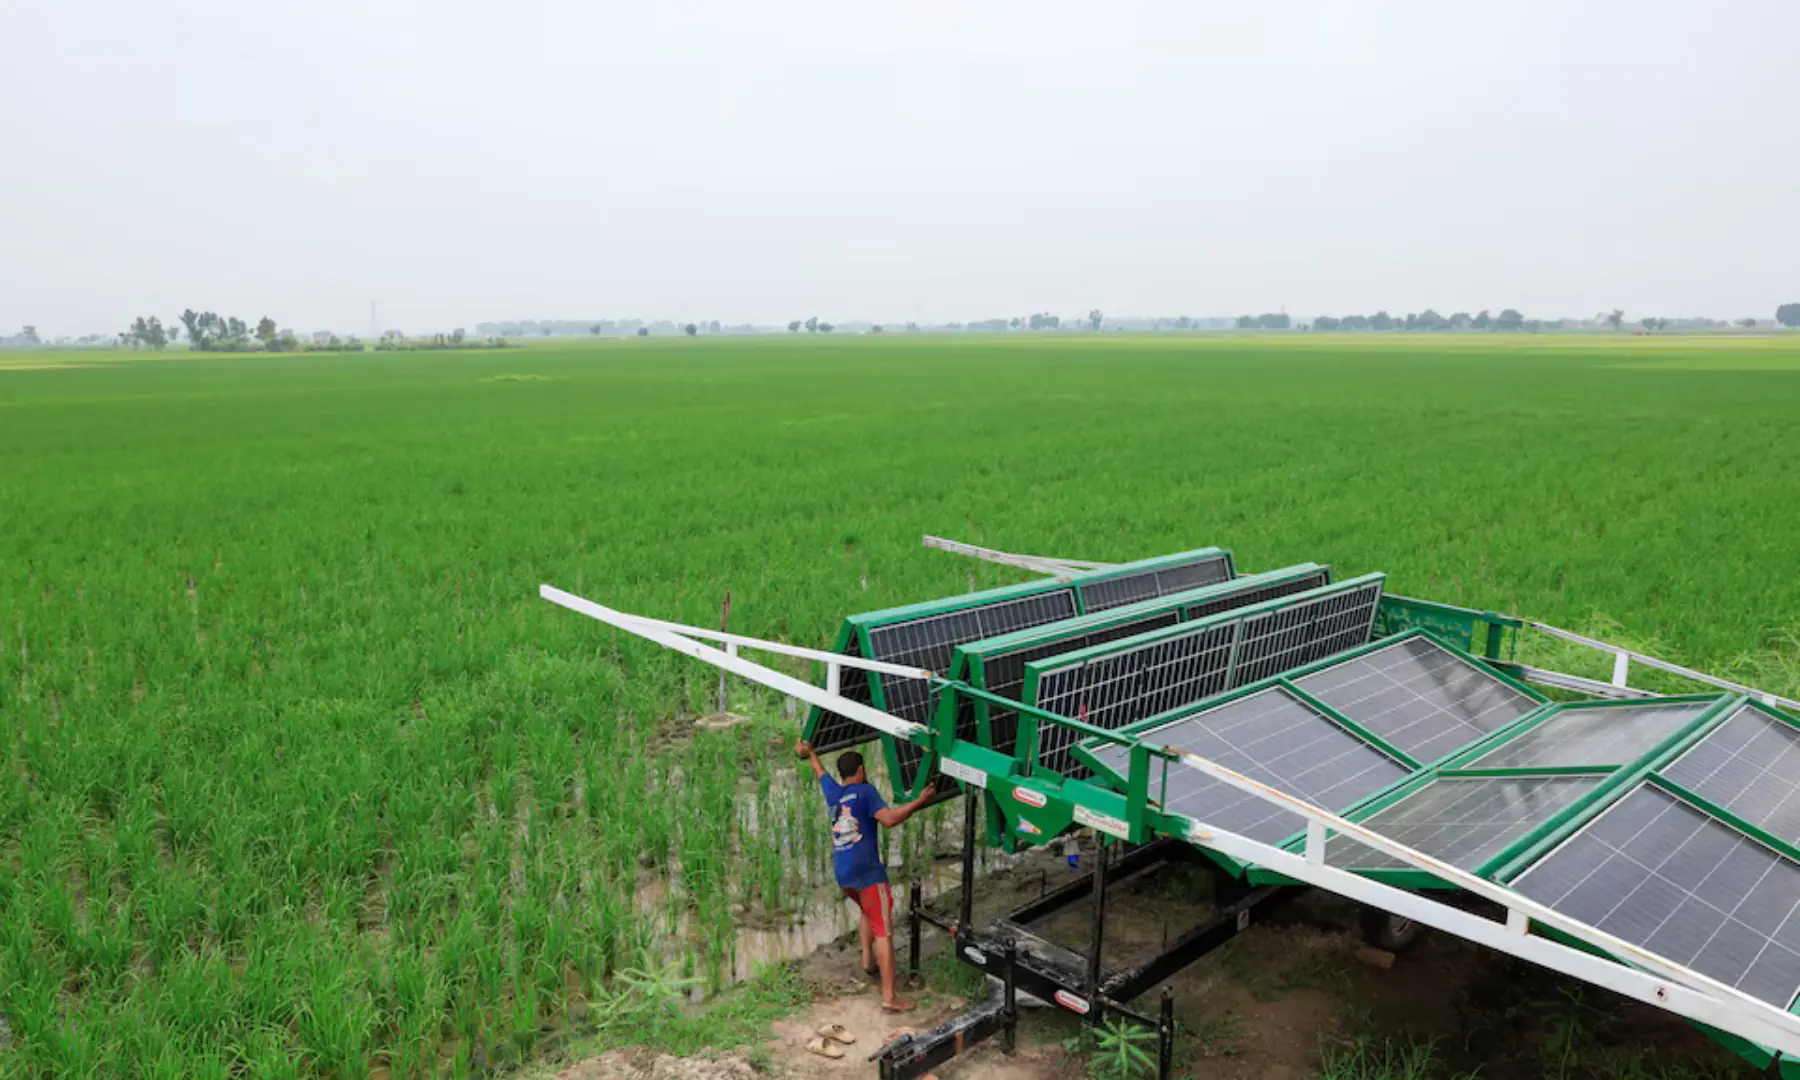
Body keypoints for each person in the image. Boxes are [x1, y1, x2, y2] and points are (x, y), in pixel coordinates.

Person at [796, 739, 936, 1012]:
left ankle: (867, 961)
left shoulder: (834, 794)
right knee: (883, 930)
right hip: (868, 873)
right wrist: (919, 801)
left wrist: (811, 752)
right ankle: (889, 998)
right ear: (860, 770)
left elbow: (819, 772)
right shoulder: (865, 791)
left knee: (867, 911)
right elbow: (890, 819)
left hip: (844, 874)